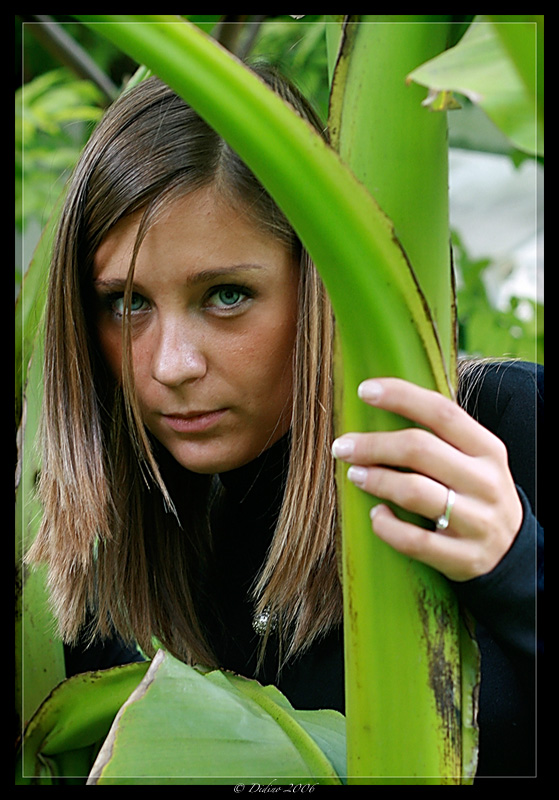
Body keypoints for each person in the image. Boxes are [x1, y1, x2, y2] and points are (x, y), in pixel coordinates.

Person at [26, 67, 542, 780]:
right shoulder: (105, 532)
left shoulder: (501, 429)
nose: (170, 365)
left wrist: (518, 566)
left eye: (226, 294)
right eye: (126, 302)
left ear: (317, 284)